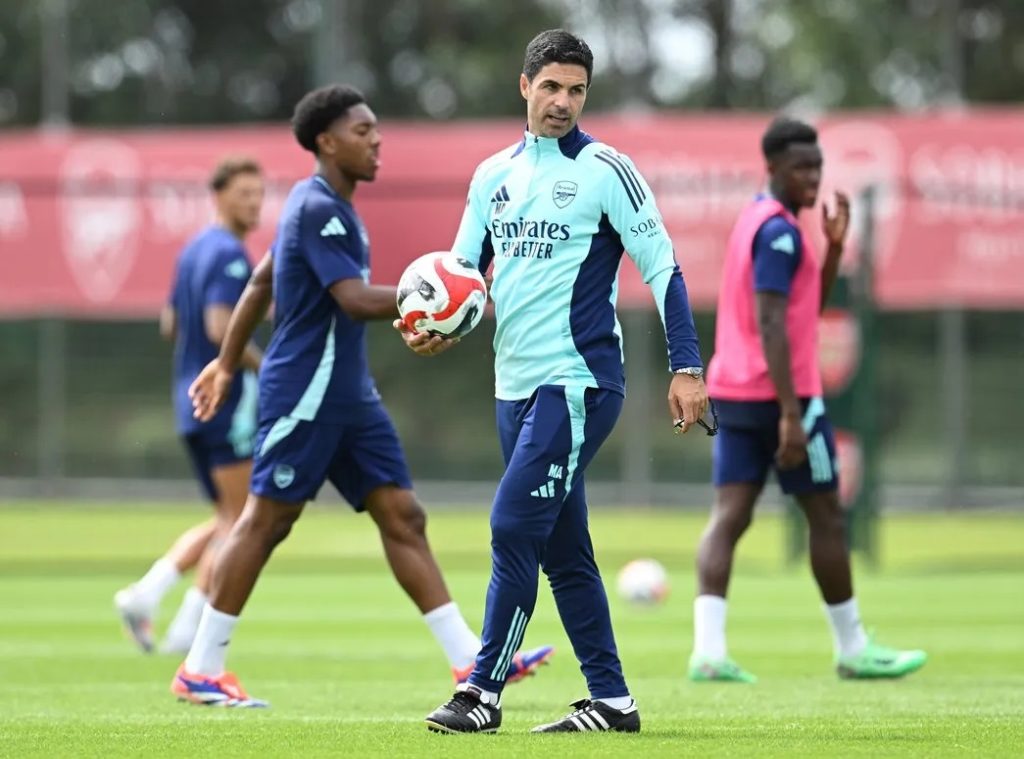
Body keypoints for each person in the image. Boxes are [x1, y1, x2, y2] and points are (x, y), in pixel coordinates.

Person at [176, 84, 552, 708]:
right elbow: (350, 299)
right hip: (307, 392)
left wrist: (222, 364)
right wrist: (448, 297)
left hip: (349, 397)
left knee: (403, 515)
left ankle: (471, 663)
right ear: (327, 142)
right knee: (267, 520)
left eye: (376, 129)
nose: (376, 140)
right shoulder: (317, 207)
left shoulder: (326, 208)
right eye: (362, 130)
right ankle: (200, 667)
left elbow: (262, 283)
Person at [408, 29, 708, 735]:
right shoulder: (491, 178)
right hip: (511, 389)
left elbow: (663, 267)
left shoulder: (607, 169)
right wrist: (434, 326)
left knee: (512, 524)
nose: (563, 102)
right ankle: (613, 700)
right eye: (552, 87)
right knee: (565, 551)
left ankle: (481, 692)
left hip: (577, 384)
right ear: (525, 86)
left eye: (576, 90)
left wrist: (687, 366)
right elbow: (460, 281)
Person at [689, 117, 927, 683]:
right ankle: (853, 647)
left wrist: (836, 248)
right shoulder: (777, 232)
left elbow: (799, 310)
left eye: (818, 167)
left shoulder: (755, 220)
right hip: (779, 399)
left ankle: (708, 652)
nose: (813, 178)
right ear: (772, 167)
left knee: (730, 516)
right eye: (802, 168)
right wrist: (793, 415)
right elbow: (773, 324)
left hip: (734, 389)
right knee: (826, 518)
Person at [115, 157, 265, 655]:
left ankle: (150, 597)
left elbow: (169, 324)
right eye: (244, 193)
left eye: (259, 194)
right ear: (218, 195)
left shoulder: (193, 250)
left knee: (228, 516)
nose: (254, 203)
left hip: (189, 400)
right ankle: (187, 629)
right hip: (223, 402)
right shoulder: (229, 254)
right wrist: (265, 368)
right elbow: (221, 328)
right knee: (243, 520)